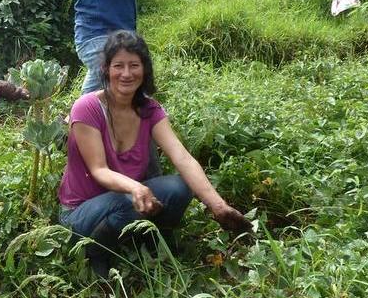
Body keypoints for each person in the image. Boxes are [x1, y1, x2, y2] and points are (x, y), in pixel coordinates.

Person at [57, 30, 252, 277]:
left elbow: (182, 158)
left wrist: (218, 207)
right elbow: (99, 170)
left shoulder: (149, 109)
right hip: (80, 214)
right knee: (130, 199)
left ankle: (147, 237)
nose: (126, 74)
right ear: (106, 69)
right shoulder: (87, 107)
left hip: (126, 202)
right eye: (118, 66)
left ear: (144, 69)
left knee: (180, 188)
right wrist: (135, 187)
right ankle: (97, 251)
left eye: (134, 65)